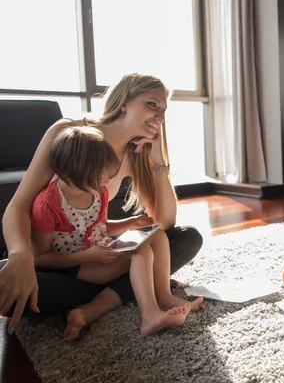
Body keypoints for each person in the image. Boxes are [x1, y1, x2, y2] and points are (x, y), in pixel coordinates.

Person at [0, 73, 203, 334]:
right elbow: (18, 205)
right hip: (55, 260)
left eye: (164, 110)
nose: (160, 117)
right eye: (152, 104)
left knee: (186, 238)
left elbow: (163, 224)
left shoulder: (136, 152)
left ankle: (105, 298)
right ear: (124, 103)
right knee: (5, 282)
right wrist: (20, 257)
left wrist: (158, 160)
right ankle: (129, 287)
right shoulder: (70, 136)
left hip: (99, 254)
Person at [30, 126, 204, 338]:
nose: (106, 182)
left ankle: (163, 296)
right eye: (101, 176)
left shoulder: (98, 192)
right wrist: (86, 256)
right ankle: (150, 316)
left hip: (99, 251)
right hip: (74, 266)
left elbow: (101, 227)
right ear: (78, 172)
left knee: (156, 235)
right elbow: (40, 258)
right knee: (142, 253)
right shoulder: (47, 205)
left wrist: (130, 223)